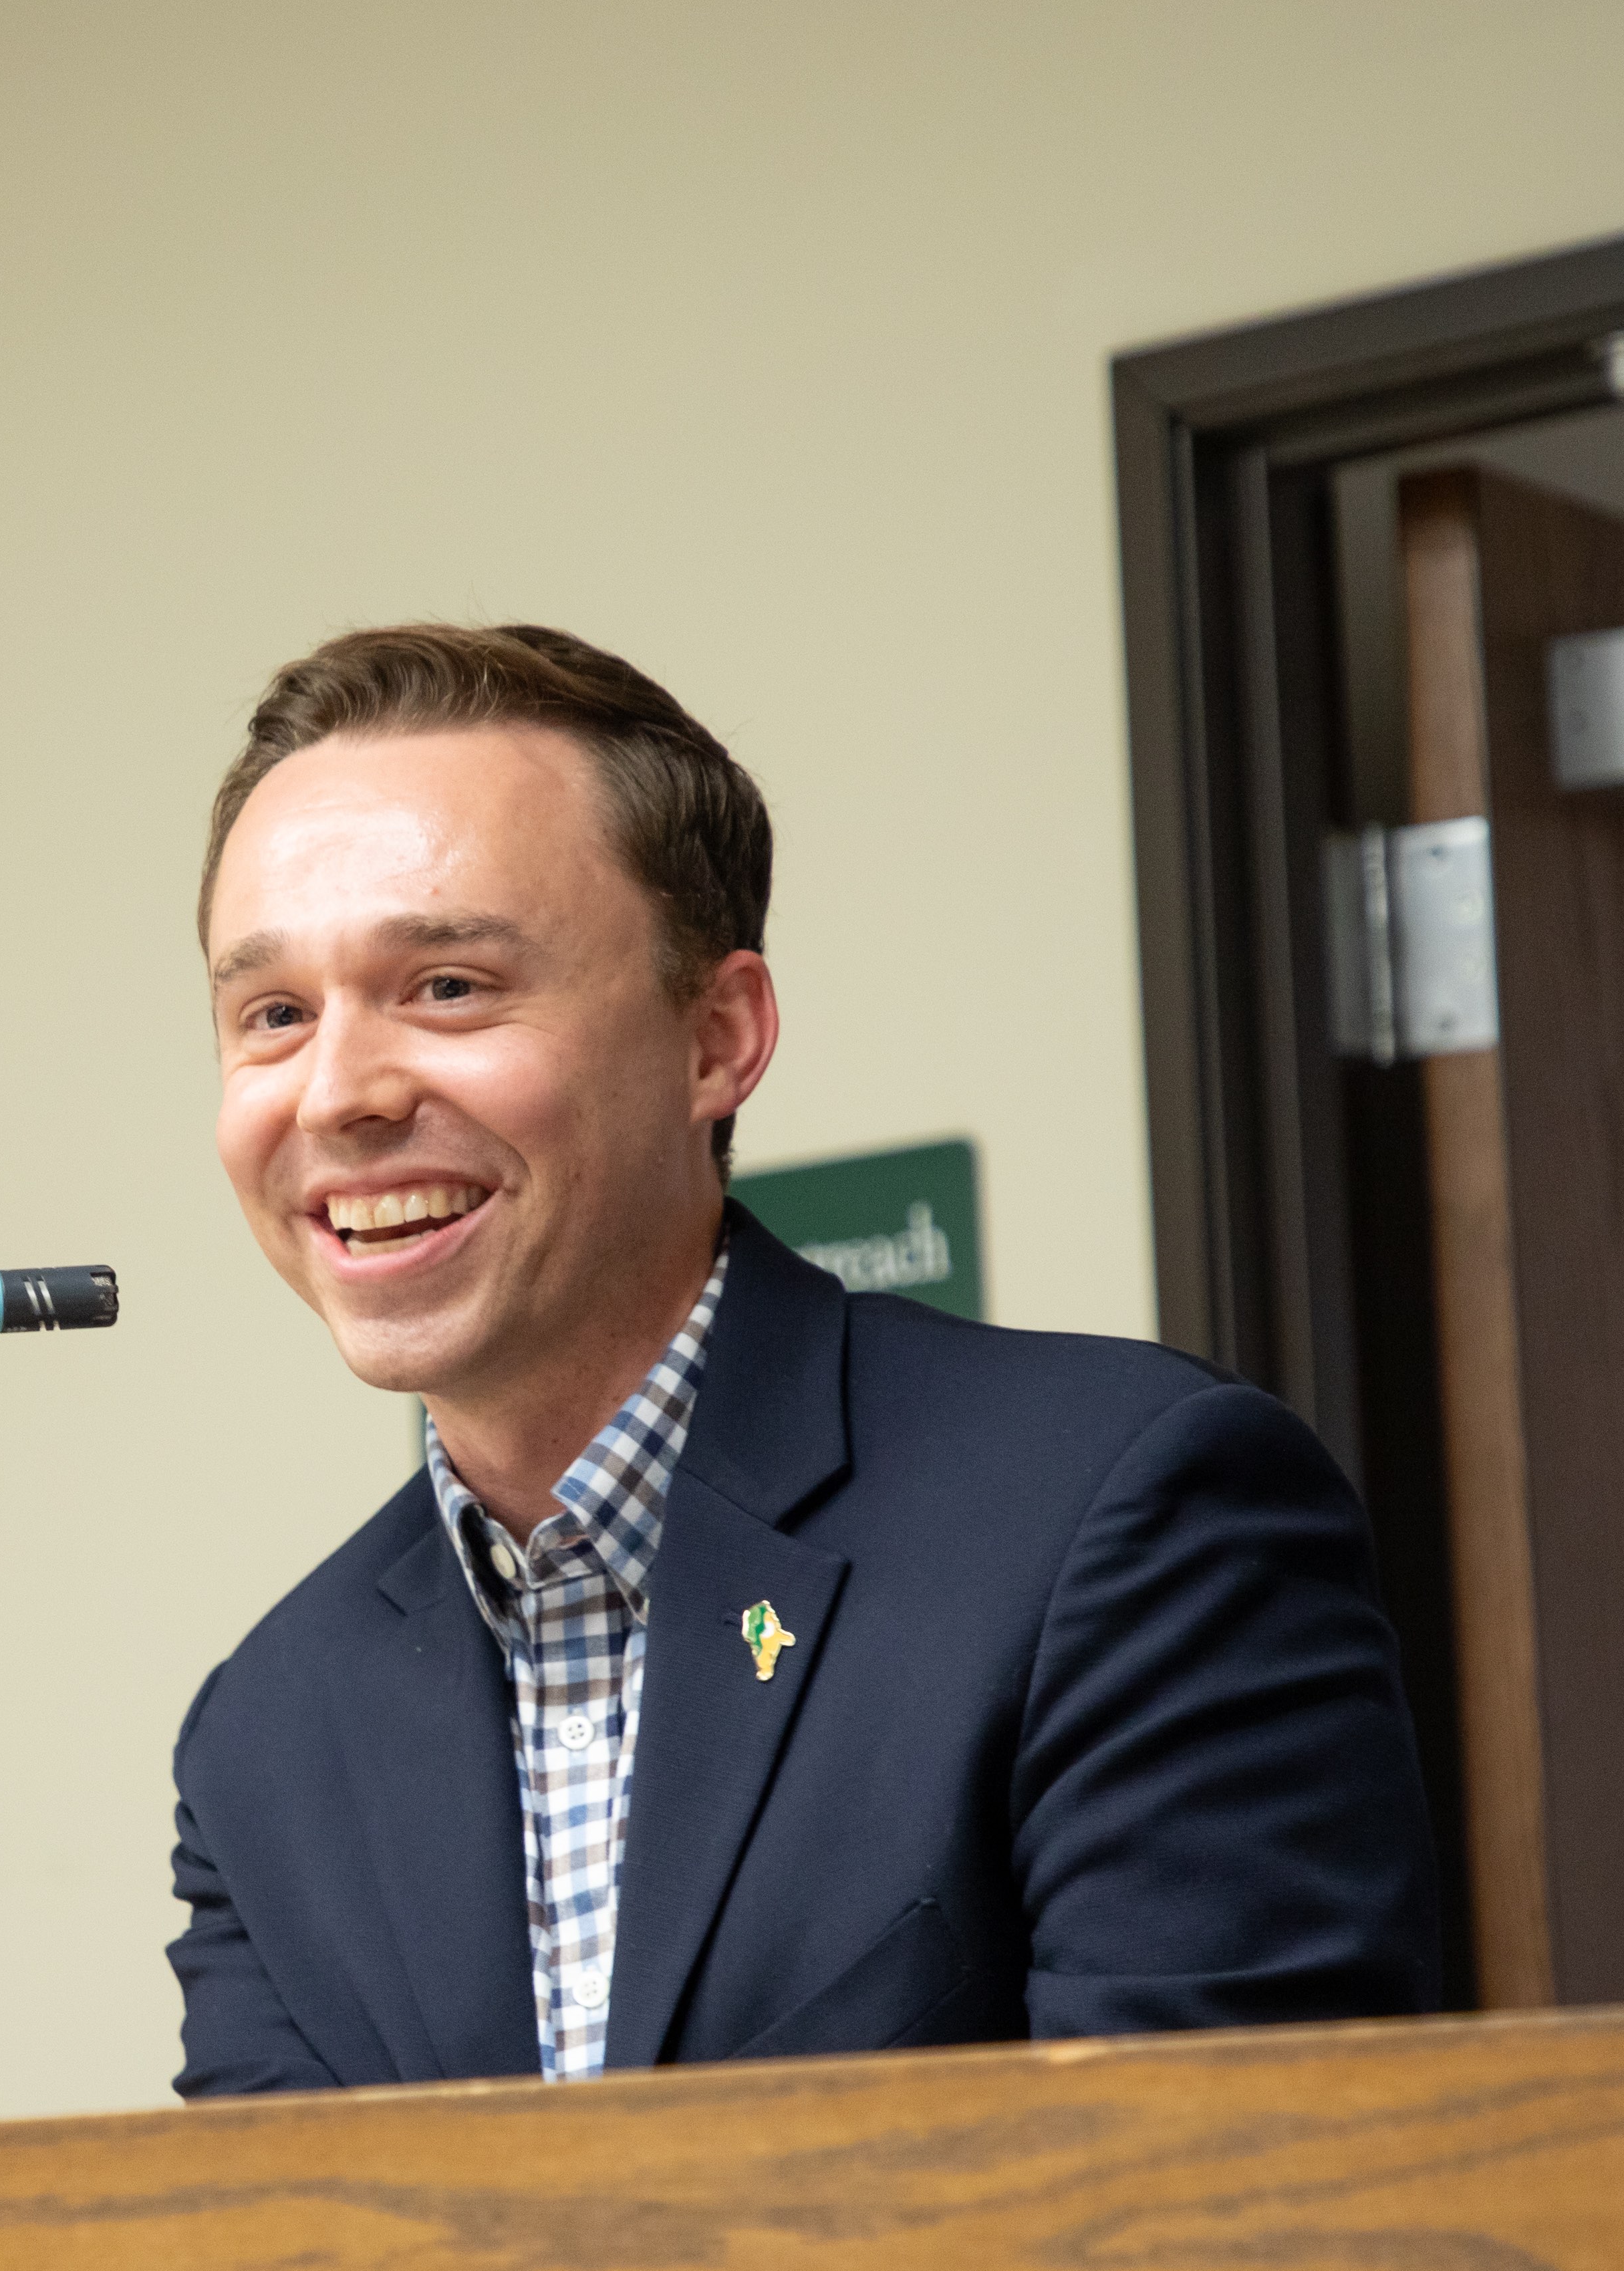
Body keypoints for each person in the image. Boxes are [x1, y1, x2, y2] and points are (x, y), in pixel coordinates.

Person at [168, 622, 1435, 2096]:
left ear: (718, 1037)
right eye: (272, 1016)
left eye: (448, 985)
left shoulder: (1127, 1518)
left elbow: (1224, 2232)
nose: (340, 1091)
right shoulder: (268, 1735)